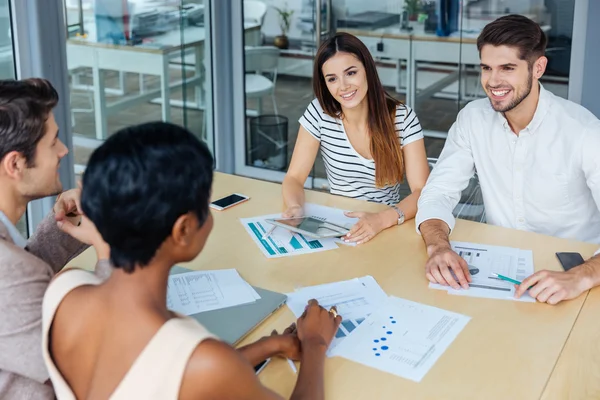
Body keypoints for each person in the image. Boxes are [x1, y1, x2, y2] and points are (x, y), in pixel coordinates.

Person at [42, 122, 342, 400]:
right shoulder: (202, 359)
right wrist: (315, 343)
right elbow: (195, 367)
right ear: (183, 229)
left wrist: (268, 346)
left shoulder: (63, 290)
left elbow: (159, 374)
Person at [415, 15, 600, 305]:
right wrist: (438, 246)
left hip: (577, 278)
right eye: (486, 68)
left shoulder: (584, 132)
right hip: (501, 274)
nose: (493, 81)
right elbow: (438, 192)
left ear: (538, 68)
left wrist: (582, 275)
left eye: (507, 68)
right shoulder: (472, 119)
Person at [0, 78, 111, 399]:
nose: (64, 151)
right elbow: (95, 362)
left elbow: (20, 287)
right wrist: (107, 251)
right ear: (16, 163)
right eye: (54, 142)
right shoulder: (9, 272)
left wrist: (63, 225)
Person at [282, 32, 430, 245]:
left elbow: (422, 191)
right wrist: (295, 206)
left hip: (384, 226)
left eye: (350, 73)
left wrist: (381, 220)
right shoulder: (319, 113)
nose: (343, 86)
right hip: (337, 227)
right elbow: (294, 177)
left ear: (367, 70)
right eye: (332, 79)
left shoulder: (402, 118)